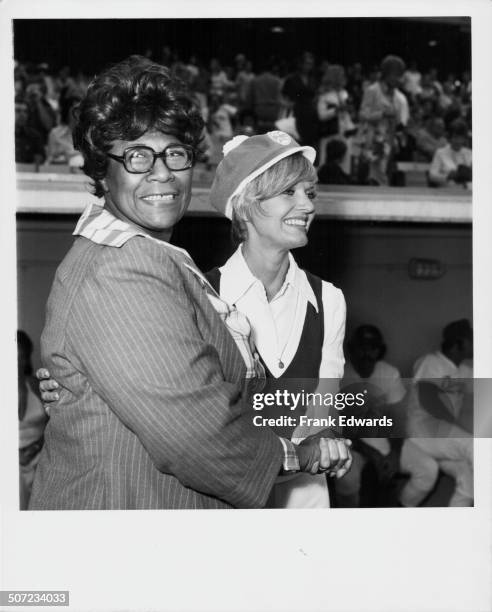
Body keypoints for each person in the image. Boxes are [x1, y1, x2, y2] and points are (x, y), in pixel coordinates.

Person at [30, 56, 348, 511]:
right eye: (137, 155)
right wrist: (302, 452)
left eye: (175, 153)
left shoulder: (164, 263)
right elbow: (196, 437)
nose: (162, 173)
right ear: (103, 169)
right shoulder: (126, 267)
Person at [205, 130, 349, 507]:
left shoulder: (329, 299)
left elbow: (323, 406)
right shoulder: (200, 295)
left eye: (309, 193)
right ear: (245, 205)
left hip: (304, 498)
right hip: (223, 499)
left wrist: (324, 441)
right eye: (289, 192)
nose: (307, 205)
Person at [335, 325, 439, 508]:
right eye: (362, 347)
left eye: (373, 348)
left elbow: (397, 420)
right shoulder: (338, 374)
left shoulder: (389, 373)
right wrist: (373, 455)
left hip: (384, 440)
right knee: (346, 479)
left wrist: (394, 454)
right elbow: (337, 428)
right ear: (351, 349)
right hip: (352, 443)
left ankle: (398, 510)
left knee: (428, 469)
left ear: (380, 351)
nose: (367, 354)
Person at [406, 319, 474, 506]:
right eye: (472, 339)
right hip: (422, 433)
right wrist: (461, 428)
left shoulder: (465, 370)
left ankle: (456, 525)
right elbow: (429, 401)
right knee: (476, 447)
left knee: (468, 478)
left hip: (443, 438)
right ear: (458, 343)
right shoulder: (431, 362)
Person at [357, 55, 409, 185]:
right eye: (397, 75)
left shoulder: (400, 97)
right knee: (374, 178)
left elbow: (401, 123)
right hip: (372, 142)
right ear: (387, 74)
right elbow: (363, 114)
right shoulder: (372, 90)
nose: (399, 79)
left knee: (384, 178)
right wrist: (382, 114)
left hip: (390, 143)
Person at [18, 330, 48, 510]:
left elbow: (54, 426)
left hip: (40, 458)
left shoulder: (37, 386)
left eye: (20, 357)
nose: (16, 364)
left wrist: (37, 447)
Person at [428, 118, 472, 187]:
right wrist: (447, 176)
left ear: (465, 139)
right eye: (455, 137)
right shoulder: (440, 153)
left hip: (467, 192)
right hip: (446, 193)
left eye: (461, 138)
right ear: (450, 137)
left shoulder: (469, 153)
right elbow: (432, 176)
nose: (458, 141)